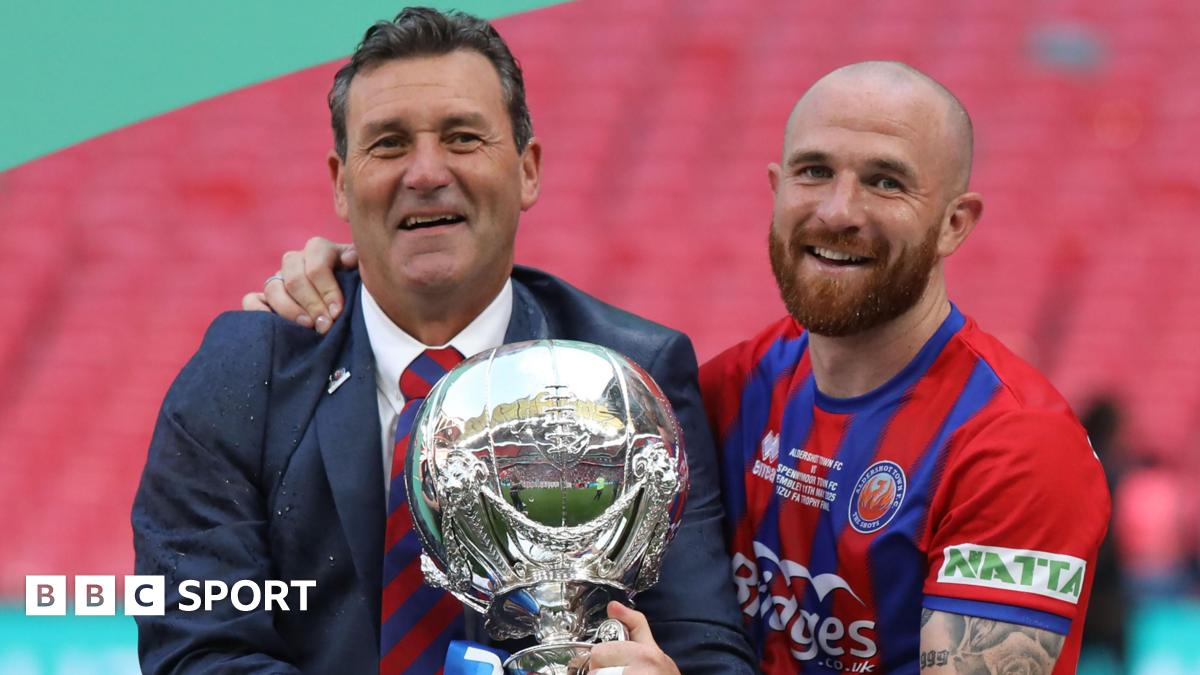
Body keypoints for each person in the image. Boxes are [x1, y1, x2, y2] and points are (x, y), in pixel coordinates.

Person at [258, 61, 1112, 674]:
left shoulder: (1015, 448)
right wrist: (358, 282)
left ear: (957, 222)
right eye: (814, 172)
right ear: (777, 189)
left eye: (886, 182)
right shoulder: (718, 391)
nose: (839, 210)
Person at [133, 8, 754, 674]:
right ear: (343, 183)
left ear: (528, 170)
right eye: (390, 144)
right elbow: (195, 650)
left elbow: (707, 651)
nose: (425, 172)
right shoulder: (241, 374)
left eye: (462, 138)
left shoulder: (631, 382)